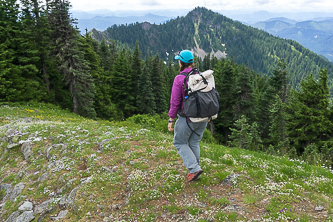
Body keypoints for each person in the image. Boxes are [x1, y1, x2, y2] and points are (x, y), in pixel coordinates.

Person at [168, 50, 208, 182]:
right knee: (194, 142)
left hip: (188, 118)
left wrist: (171, 119)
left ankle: (194, 169)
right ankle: (196, 171)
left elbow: (175, 102)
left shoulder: (179, 79)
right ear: (191, 62)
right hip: (203, 117)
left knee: (179, 142)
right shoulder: (200, 76)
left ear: (181, 62)